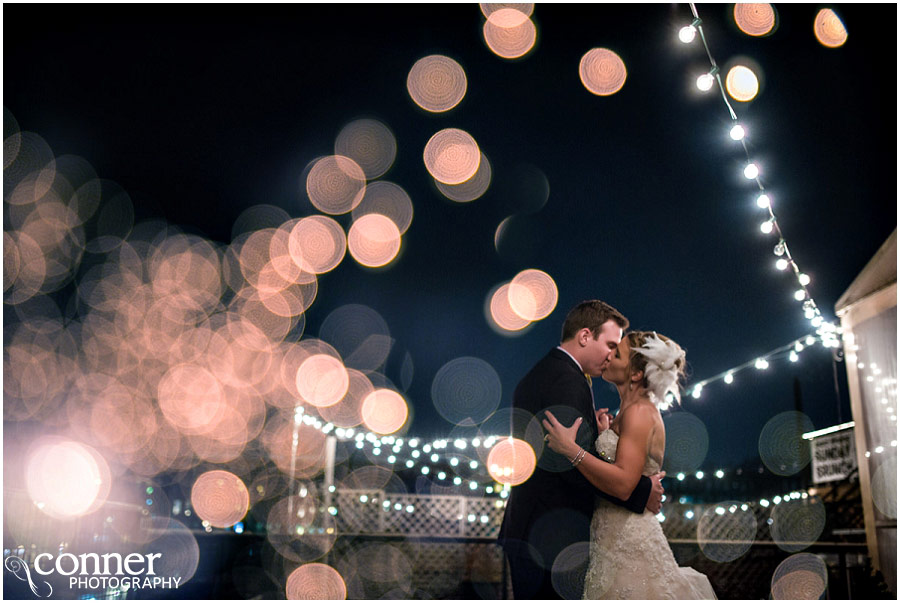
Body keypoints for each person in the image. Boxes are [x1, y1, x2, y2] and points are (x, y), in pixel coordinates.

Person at [497, 301, 665, 599]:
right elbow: (569, 466)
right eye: (610, 344)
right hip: (550, 537)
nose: (611, 355)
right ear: (585, 336)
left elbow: (573, 453)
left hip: (538, 530)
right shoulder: (566, 381)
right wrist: (641, 490)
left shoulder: (550, 371)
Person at [543, 330, 717, 599]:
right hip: (611, 541)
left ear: (636, 374)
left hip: (631, 546)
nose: (609, 355)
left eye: (619, 353)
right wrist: (605, 434)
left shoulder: (639, 412)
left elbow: (624, 485)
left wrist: (571, 450)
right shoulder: (629, 410)